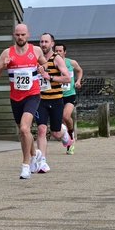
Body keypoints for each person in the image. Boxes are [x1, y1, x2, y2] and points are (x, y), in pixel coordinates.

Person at [0, 23, 50, 180]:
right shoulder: (7, 53)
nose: (20, 37)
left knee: (24, 128)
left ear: (28, 35)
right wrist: (3, 65)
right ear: (14, 35)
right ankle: (34, 153)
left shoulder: (35, 50)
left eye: (23, 34)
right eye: (17, 34)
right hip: (15, 97)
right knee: (23, 132)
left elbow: (44, 63)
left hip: (33, 94)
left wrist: (43, 68)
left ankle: (26, 165)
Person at [32, 33, 73, 173]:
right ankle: (42, 161)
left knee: (56, 133)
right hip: (40, 100)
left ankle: (65, 134)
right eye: (41, 41)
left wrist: (49, 77)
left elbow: (67, 78)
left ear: (52, 43)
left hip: (56, 100)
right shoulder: (36, 59)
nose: (43, 44)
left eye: (46, 42)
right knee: (41, 130)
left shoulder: (57, 59)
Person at [54, 43, 83, 154]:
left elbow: (80, 70)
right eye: (56, 51)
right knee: (59, 121)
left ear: (65, 52)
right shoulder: (51, 63)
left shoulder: (71, 62)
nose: (58, 53)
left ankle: (71, 135)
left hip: (70, 94)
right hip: (57, 95)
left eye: (60, 51)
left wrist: (78, 81)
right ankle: (68, 141)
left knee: (66, 116)